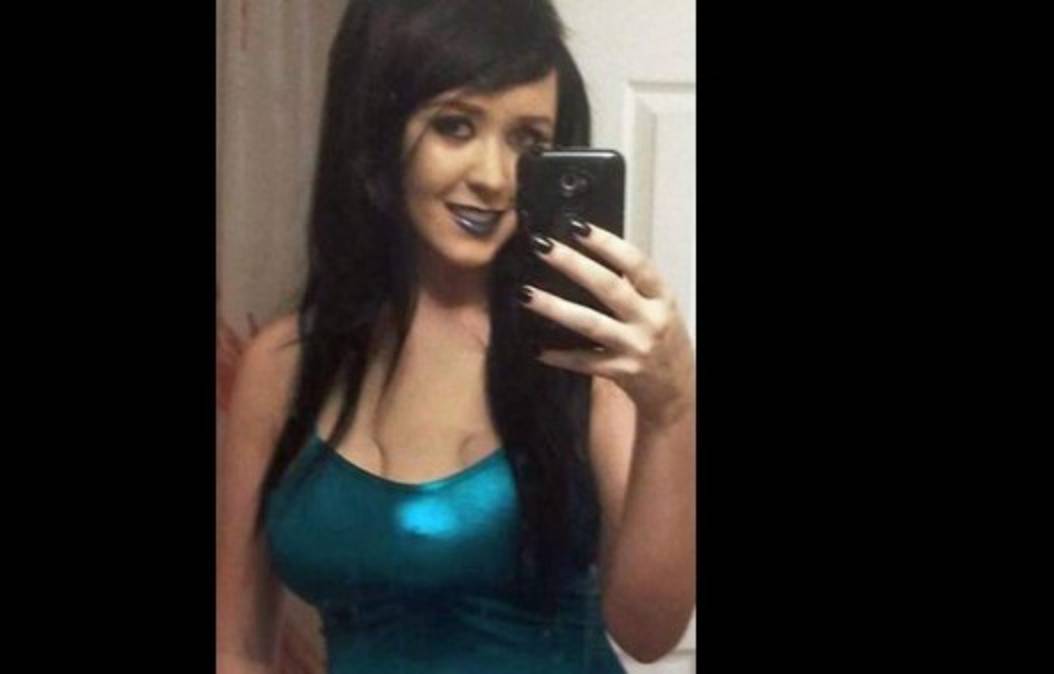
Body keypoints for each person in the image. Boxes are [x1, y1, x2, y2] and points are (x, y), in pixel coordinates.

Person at [216, 1, 695, 672]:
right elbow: (234, 647)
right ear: (376, 129)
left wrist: (673, 408)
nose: (494, 178)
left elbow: (649, 631)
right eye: (455, 126)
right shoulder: (284, 365)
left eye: (526, 140)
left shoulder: (579, 351)